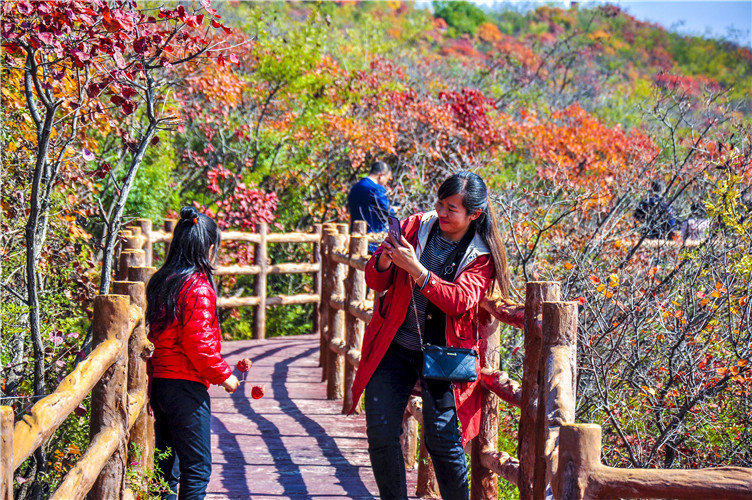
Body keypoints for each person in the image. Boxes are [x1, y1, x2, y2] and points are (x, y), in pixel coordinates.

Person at [348, 171, 511, 500]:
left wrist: (416, 269)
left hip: (445, 355)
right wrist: (382, 260)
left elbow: (459, 301)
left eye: (452, 208)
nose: (442, 213)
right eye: (440, 204)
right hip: (394, 347)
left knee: (442, 440)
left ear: (474, 214)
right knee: (380, 432)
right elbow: (376, 282)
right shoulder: (414, 226)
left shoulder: (481, 254)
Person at [146, 206, 240, 500]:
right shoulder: (198, 286)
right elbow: (197, 342)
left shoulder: (163, 280)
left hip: (160, 383)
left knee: (166, 467)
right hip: (185, 385)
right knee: (197, 469)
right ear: (208, 247)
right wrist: (225, 376)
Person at [348, 160, 398, 253]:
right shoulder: (376, 189)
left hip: (355, 237)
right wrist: (393, 210)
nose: (386, 182)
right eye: (387, 178)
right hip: (373, 241)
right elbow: (387, 212)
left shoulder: (354, 188)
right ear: (381, 175)